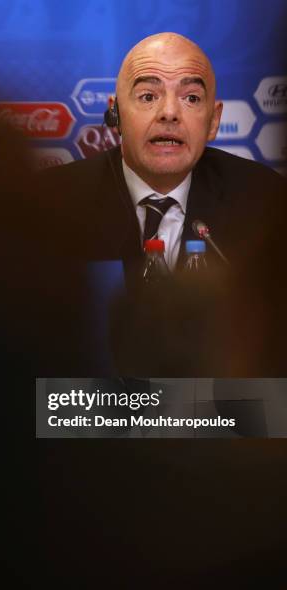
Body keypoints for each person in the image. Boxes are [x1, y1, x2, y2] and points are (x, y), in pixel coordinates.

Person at [39, 32, 287, 376]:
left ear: (214, 121)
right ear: (115, 115)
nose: (169, 112)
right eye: (147, 95)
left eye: (190, 97)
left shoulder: (265, 202)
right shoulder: (52, 202)